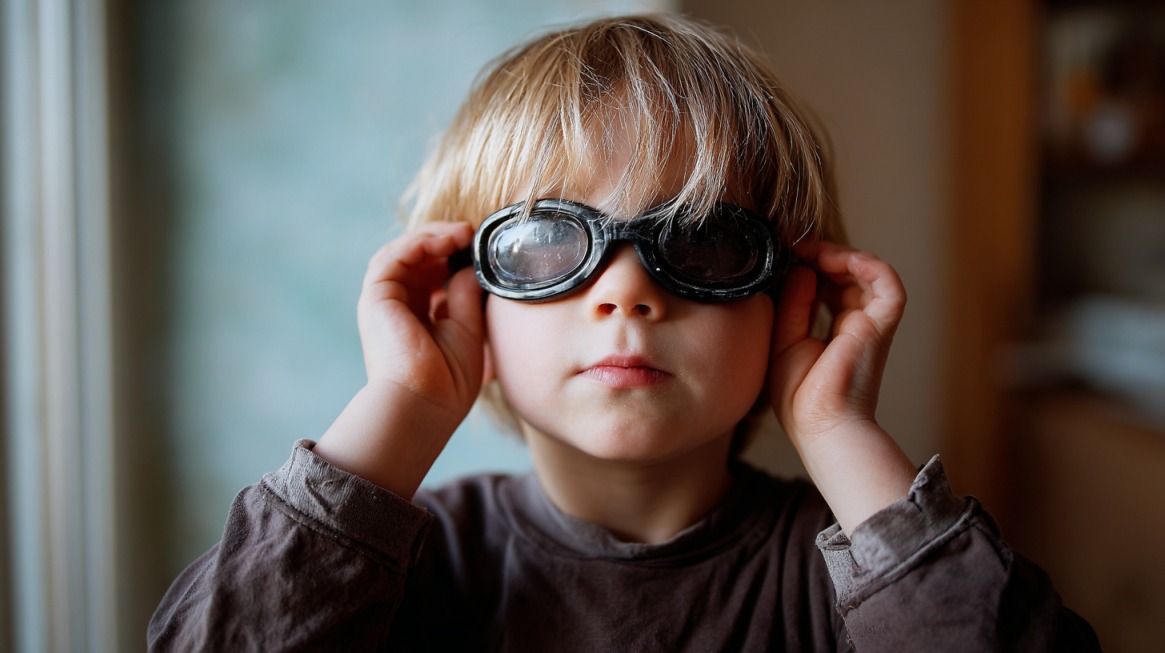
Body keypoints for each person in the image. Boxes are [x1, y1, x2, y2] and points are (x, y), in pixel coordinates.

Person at [148, 13, 1099, 652]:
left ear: (789, 295)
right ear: (460, 294)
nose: (627, 293)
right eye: (545, 245)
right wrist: (398, 408)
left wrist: (840, 436)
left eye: (704, 243)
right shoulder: (406, 572)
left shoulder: (854, 574)